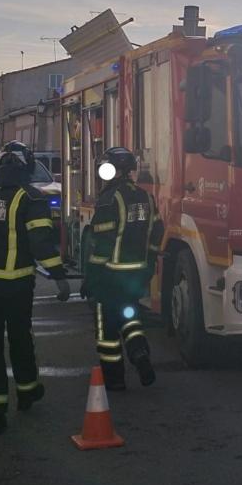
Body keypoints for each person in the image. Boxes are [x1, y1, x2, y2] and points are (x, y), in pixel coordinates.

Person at [0, 141, 68, 436]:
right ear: (26, 166)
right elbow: (41, 244)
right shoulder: (30, 197)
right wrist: (59, 275)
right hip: (15, 284)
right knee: (20, 339)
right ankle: (27, 391)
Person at [84, 146, 164, 391]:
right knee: (130, 316)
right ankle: (139, 353)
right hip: (135, 274)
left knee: (106, 328)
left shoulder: (109, 199)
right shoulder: (145, 196)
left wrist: (91, 277)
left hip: (110, 275)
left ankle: (115, 379)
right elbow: (157, 231)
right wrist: (148, 263)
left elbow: (102, 243)